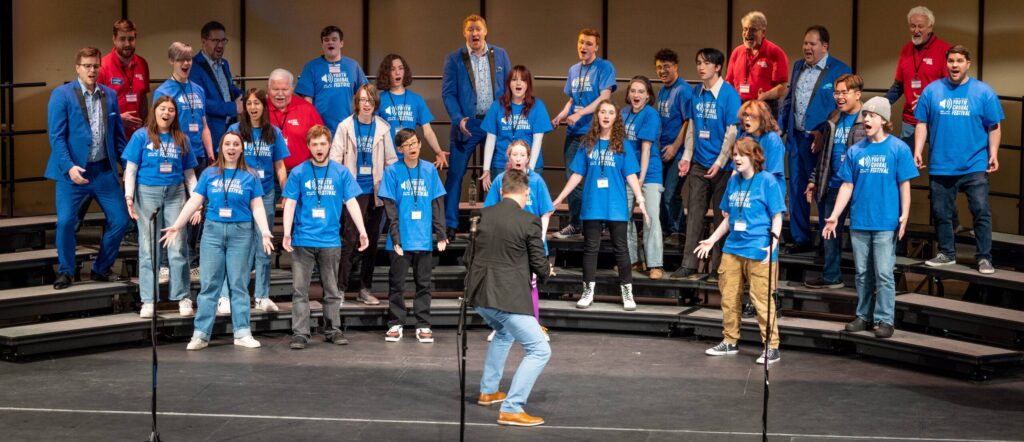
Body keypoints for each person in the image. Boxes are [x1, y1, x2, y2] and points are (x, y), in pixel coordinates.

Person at [161, 131, 274, 350]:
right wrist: (177, 224)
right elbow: (195, 200)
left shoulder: (250, 175)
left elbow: (257, 205)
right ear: (221, 147)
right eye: (227, 144)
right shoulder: (209, 174)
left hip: (240, 234)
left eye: (236, 144)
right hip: (212, 233)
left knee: (239, 285)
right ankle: (201, 334)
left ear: (242, 149)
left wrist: (265, 230)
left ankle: (242, 332)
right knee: (209, 284)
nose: (231, 148)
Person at [823, 97, 918, 339]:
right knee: (863, 273)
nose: (866, 119)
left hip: (886, 222)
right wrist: (834, 215)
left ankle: (885, 319)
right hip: (860, 222)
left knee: (884, 273)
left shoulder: (898, 149)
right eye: (865, 114)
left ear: (884, 120)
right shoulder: (855, 151)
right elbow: (847, 186)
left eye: (872, 115)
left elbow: (904, 184)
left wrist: (905, 214)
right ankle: (863, 315)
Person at [466, 168, 552, 427]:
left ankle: (489, 390)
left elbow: (468, 257)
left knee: (504, 333)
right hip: (507, 297)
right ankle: (512, 408)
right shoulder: (529, 221)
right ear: (527, 192)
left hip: (480, 295)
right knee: (540, 349)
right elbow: (539, 262)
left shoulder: (480, 215)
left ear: (501, 191)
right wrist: (547, 272)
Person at [46, 47, 131, 289]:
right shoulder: (62, 95)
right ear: (77, 68)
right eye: (87, 66)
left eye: (95, 66)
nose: (92, 70)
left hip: (103, 171)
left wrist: (127, 169)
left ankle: (101, 268)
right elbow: (57, 137)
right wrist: (70, 167)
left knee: (120, 220)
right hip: (72, 172)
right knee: (65, 222)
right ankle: (66, 271)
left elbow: (117, 137)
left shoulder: (109, 95)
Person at [552, 100, 649, 311]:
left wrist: (640, 199)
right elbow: (577, 175)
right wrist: (559, 198)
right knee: (591, 249)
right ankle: (588, 291)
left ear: (616, 117)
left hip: (616, 204)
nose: (606, 115)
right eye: (602, 112)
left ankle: (627, 292)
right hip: (592, 203)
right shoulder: (587, 143)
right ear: (597, 117)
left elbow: (631, 175)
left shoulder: (622, 145)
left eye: (610, 112)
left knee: (621, 249)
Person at [915, 45, 1003, 274]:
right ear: (947, 64)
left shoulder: (983, 92)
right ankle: (947, 253)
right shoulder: (932, 91)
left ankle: (984, 257)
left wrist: (993, 153)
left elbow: (994, 125)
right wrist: (917, 150)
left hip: (974, 163)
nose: (954, 65)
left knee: (981, 211)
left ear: (968, 64)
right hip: (941, 164)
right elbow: (921, 123)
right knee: (941, 213)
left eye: (959, 61)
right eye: (951, 61)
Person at [698, 137, 786, 364]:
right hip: (733, 248)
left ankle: (771, 346)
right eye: (735, 154)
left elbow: (777, 216)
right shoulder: (733, 181)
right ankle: (729, 340)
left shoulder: (767, 181)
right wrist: (712, 239)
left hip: (759, 248)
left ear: (754, 157)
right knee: (728, 296)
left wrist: (773, 244)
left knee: (761, 299)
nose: (736, 158)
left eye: (741, 154)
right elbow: (729, 218)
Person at [281, 125, 368, 350]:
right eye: (315, 144)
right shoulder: (299, 172)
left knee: (331, 289)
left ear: (329, 145)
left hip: (330, 241)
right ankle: (300, 333)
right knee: (300, 290)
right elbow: (289, 203)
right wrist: (287, 232)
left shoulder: (341, 172)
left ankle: (333, 330)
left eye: (322, 143)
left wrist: (362, 231)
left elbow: (351, 203)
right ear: (308, 146)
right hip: (303, 240)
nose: (319, 148)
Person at [122, 97, 199, 318]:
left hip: (175, 194)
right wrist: (129, 196)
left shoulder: (181, 138)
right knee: (148, 249)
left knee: (177, 247)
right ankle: (148, 299)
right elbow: (131, 169)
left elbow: (189, 175)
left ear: (176, 114)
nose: (167, 113)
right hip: (147, 194)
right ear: (155, 111)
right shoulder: (141, 136)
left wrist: (195, 204)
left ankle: (182, 296)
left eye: (171, 109)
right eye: (163, 108)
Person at [216, 88, 290, 314]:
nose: (253, 107)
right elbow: (225, 161)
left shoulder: (273, 132)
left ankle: (262, 296)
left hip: (265, 194)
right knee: (237, 247)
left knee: (263, 247)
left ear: (264, 106)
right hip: (240, 195)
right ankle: (226, 296)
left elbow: (279, 166)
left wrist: (285, 192)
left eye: (257, 103)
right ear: (245, 107)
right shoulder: (235, 130)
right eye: (249, 103)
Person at [670, 48, 742, 281]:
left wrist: (721, 162)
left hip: (724, 167)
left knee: (722, 218)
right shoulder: (696, 93)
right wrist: (687, 157)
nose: (701, 67)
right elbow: (692, 126)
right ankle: (689, 263)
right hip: (699, 164)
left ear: (718, 67)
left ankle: (717, 268)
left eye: (706, 63)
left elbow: (732, 133)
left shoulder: (729, 95)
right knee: (695, 215)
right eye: (699, 62)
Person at [778, 26, 851, 254]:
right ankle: (800, 239)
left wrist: (824, 131)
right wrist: (780, 130)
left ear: (825, 46)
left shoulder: (839, 69)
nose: (807, 48)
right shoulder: (798, 66)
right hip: (797, 138)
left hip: (822, 140)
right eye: (805, 43)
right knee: (798, 187)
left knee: (821, 190)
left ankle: (825, 240)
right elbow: (789, 100)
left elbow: (842, 108)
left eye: (812, 44)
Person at [441, 14, 512, 239]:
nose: (474, 33)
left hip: (494, 122)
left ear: (485, 31)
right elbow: (448, 93)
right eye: (470, 29)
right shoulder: (454, 59)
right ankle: (450, 225)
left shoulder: (500, 54)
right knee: (455, 174)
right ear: (465, 33)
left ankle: (500, 223)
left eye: (478, 29)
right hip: (467, 124)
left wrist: (506, 115)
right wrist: (457, 118)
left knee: (501, 171)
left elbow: (510, 86)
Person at [330, 84, 398, 305]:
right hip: (353, 192)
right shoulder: (345, 126)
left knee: (371, 243)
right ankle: (340, 289)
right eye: (362, 100)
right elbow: (334, 161)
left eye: (370, 100)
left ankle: (364, 288)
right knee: (350, 240)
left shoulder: (383, 128)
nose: (366, 104)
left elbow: (391, 162)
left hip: (376, 193)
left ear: (375, 103)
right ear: (356, 103)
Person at [378, 129, 447, 343]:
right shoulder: (392, 172)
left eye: (415, 143)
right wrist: (396, 238)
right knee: (397, 284)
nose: (413, 147)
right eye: (407, 145)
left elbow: (437, 204)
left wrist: (441, 233)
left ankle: (423, 324)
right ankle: (396, 323)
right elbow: (390, 209)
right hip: (400, 240)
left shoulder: (429, 170)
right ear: (400, 149)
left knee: (424, 284)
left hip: (423, 239)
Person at [153, 42, 215, 276]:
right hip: (176, 160)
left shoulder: (198, 89)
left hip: (198, 157)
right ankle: (166, 263)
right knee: (173, 209)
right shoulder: (164, 92)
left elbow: (204, 124)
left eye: (188, 59)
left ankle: (192, 259)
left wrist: (209, 152)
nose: (186, 63)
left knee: (197, 209)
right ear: (172, 61)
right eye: (181, 59)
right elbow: (159, 128)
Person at [483, 140, 555, 341]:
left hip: (530, 241)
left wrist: (539, 241)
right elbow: (491, 211)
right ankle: (502, 327)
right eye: (515, 154)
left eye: (522, 155)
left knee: (531, 284)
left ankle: (535, 326)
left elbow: (546, 213)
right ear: (509, 157)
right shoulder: (500, 180)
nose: (518, 158)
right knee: (504, 284)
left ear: (528, 157)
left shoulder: (537, 181)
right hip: (507, 243)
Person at [552, 28, 617, 240]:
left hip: (595, 132)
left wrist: (581, 116)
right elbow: (572, 100)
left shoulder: (604, 67)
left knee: (598, 177)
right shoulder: (573, 70)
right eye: (581, 43)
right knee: (573, 177)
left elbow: (604, 98)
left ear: (596, 46)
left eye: (589, 43)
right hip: (574, 133)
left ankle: (602, 224)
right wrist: (561, 116)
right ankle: (576, 223)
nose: (584, 47)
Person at [804, 74, 866, 289]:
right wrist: (814, 178)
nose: (839, 97)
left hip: (859, 188)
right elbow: (824, 154)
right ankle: (832, 276)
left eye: (844, 92)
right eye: (836, 92)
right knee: (830, 232)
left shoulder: (867, 118)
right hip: (833, 185)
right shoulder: (834, 116)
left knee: (860, 235)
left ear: (857, 94)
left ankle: (865, 280)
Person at [884, 6, 950, 145]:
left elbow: (950, 87)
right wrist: (881, 103)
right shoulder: (906, 49)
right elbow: (898, 86)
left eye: (921, 26)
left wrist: (929, 99)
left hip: (936, 118)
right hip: (910, 119)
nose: (916, 30)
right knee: (907, 162)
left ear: (930, 27)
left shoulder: (944, 49)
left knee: (938, 163)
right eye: (913, 26)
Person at [481, 65, 553, 188]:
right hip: (501, 165)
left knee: (528, 205)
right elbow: (491, 139)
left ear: (528, 84)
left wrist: (530, 168)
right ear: (509, 83)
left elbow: (537, 140)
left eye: (523, 80)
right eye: (514, 80)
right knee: (503, 205)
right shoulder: (497, 105)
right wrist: (486, 169)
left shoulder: (538, 106)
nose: (518, 83)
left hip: (529, 165)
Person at [620, 76, 664, 279]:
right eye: (633, 91)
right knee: (624, 217)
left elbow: (646, 149)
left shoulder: (651, 115)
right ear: (628, 94)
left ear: (648, 95)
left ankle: (655, 264)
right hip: (628, 173)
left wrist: (641, 179)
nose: (636, 95)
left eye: (641, 92)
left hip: (650, 174)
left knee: (651, 217)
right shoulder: (623, 113)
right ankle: (634, 260)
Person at [376, 53, 448, 167]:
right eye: (393, 69)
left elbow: (428, 131)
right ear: (387, 73)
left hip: (410, 158)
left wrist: (438, 151)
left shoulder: (416, 99)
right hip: (386, 159)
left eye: (400, 68)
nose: (397, 72)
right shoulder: (380, 99)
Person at [296, 25, 368, 132]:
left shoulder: (353, 65)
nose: (330, 42)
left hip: (348, 127)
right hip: (320, 128)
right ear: (322, 44)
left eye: (334, 39)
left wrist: (360, 120)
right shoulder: (311, 67)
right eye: (326, 40)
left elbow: (365, 94)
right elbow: (307, 101)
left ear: (341, 43)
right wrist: (311, 126)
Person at [653, 49, 692, 244]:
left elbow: (688, 122)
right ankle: (666, 230)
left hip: (678, 152)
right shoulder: (662, 91)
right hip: (662, 151)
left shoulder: (683, 90)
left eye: (666, 67)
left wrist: (676, 147)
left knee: (671, 193)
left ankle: (678, 231)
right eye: (659, 67)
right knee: (659, 193)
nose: (662, 71)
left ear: (675, 67)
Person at [190, 21, 243, 153]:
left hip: (230, 128)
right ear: (204, 41)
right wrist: (233, 107)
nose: (220, 45)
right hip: (211, 132)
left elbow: (230, 89)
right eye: (215, 41)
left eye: (223, 40)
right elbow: (200, 102)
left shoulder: (224, 63)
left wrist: (249, 97)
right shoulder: (194, 66)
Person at [725, 11, 789, 116]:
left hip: (765, 107)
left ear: (763, 32)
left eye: (753, 30)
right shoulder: (736, 52)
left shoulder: (775, 53)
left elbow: (783, 87)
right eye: (745, 29)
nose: (747, 33)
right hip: (739, 106)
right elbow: (729, 82)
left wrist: (765, 95)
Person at [97, 19, 150, 138]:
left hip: (137, 135)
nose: (127, 44)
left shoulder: (142, 63)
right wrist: (118, 118)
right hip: (112, 134)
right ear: (114, 40)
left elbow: (142, 96)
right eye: (122, 39)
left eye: (131, 39)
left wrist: (146, 122)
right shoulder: (102, 66)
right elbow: (95, 106)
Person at [267, 68, 325, 170]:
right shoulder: (260, 109)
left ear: (292, 89)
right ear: (268, 89)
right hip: (269, 175)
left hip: (301, 173)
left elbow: (322, 139)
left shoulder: (307, 109)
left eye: (285, 89)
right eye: (275, 89)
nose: (280, 94)